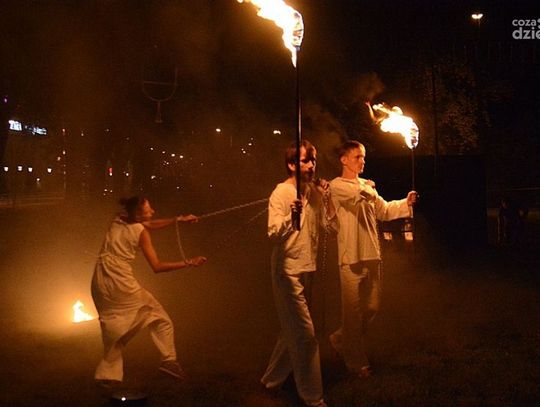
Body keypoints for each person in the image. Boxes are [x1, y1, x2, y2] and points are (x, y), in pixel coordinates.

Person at [91, 196, 206, 388]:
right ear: (137, 214)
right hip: (121, 282)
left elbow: (149, 223)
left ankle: (107, 376)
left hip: (99, 281)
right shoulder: (142, 232)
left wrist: (178, 220)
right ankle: (169, 361)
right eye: (148, 210)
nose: (152, 211)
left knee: (113, 326)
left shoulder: (117, 219)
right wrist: (188, 262)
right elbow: (157, 266)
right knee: (161, 318)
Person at [329, 140, 417, 378]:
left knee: (372, 307)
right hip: (350, 258)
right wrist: (367, 188)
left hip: (371, 255)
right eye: (357, 157)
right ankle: (356, 363)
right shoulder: (337, 186)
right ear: (344, 160)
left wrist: (405, 203)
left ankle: (339, 339)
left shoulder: (366, 186)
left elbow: (383, 210)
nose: (362, 161)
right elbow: (355, 196)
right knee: (352, 313)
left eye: (364, 157)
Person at [261, 140, 336, 407]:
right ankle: (313, 397)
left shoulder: (314, 192)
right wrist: (290, 216)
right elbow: (273, 233)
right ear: (292, 165)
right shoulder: (281, 193)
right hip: (287, 271)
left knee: (291, 331)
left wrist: (327, 199)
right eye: (305, 160)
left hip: (308, 268)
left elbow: (330, 229)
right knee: (305, 335)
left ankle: (271, 381)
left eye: (313, 160)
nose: (311, 165)